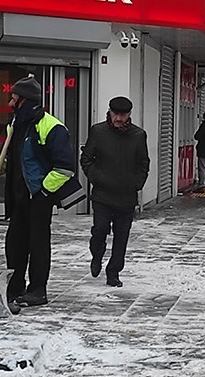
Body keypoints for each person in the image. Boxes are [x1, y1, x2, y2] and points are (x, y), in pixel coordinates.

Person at [4, 75, 76, 308]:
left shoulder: (52, 127)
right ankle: (15, 287)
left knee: (37, 244)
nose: (10, 103)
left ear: (25, 101)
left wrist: (44, 192)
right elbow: (14, 159)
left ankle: (37, 290)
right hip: (18, 197)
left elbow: (65, 168)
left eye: (14, 98)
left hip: (39, 197)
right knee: (14, 244)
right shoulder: (15, 125)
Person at [81, 96, 150, 288]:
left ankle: (114, 272)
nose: (119, 118)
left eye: (123, 115)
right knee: (100, 229)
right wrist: (96, 178)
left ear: (129, 115)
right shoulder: (98, 131)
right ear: (109, 112)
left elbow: (143, 162)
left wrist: (136, 183)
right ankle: (97, 254)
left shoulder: (138, 135)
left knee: (122, 237)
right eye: (116, 114)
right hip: (102, 194)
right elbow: (86, 159)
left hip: (126, 195)